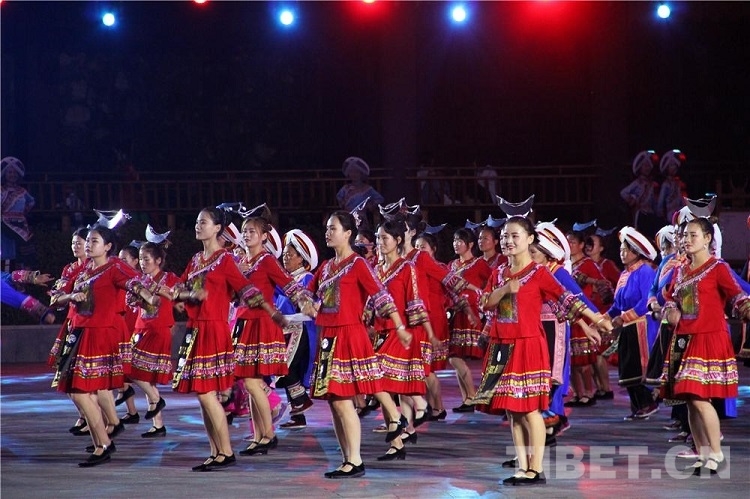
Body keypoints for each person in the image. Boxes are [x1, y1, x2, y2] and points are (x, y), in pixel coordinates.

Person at [477, 216, 612, 486]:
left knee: (529, 409)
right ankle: (522, 465)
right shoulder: (499, 273)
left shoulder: (539, 273)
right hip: (502, 346)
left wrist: (596, 319)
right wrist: (505, 289)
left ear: (529, 239)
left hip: (528, 345)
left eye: (514, 236)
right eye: (504, 236)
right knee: (511, 409)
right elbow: (485, 304)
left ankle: (535, 469)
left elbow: (568, 299)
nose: (508, 241)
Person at [303, 211, 411, 479]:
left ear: (348, 233)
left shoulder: (358, 264)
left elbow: (381, 296)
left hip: (349, 336)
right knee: (333, 402)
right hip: (327, 337)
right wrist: (307, 303)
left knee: (343, 400)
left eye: (334, 228)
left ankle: (355, 460)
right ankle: (346, 459)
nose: (328, 233)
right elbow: (308, 293)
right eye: (327, 228)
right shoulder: (326, 266)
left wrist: (400, 327)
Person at [170, 207, 277, 472]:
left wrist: (272, 310)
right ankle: (215, 451)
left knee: (208, 394)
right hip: (194, 330)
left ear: (217, 228)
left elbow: (246, 288)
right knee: (201, 395)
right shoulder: (196, 259)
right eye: (197, 222)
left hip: (213, 330)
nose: (198, 226)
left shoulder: (226, 260)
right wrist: (183, 295)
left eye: (203, 222)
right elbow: (179, 287)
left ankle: (226, 451)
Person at [51, 221, 155, 467]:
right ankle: (103, 441)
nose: (88, 245)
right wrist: (70, 295)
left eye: (94, 241)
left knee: (82, 391)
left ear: (108, 246)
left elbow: (135, 283)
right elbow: (57, 298)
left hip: (99, 335)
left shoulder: (114, 267)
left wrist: (149, 296)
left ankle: (104, 442)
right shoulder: (83, 270)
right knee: (76, 392)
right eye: (87, 241)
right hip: (79, 333)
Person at [661, 217, 750, 475]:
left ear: (708, 238)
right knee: (690, 399)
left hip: (708, 337)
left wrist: (746, 309)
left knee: (700, 398)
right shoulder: (681, 270)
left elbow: (738, 297)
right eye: (684, 235)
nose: (687, 240)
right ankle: (702, 454)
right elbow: (671, 298)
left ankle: (717, 453)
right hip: (683, 339)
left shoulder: (718, 268)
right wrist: (670, 310)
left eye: (693, 235)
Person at [234, 212, 312, 457]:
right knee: (250, 382)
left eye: (252, 231)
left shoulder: (266, 260)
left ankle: (268, 435)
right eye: (244, 231)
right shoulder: (240, 261)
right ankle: (259, 436)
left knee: (252, 382)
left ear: (264, 237)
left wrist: (305, 301)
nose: (247, 235)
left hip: (262, 324)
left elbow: (288, 284)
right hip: (244, 323)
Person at [371, 219, 437, 461]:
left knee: (378, 379)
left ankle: (419, 407)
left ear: (398, 240)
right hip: (380, 332)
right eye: (378, 238)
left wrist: (428, 333)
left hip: (401, 332)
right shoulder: (376, 269)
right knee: (388, 387)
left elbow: (415, 302)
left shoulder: (407, 268)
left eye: (384, 238)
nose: (379, 243)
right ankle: (397, 443)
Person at [604, 227, 660, 420]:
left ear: (636, 252)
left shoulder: (645, 271)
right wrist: (603, 318)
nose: (622, 253)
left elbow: (646, 300)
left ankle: (647, 403)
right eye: (621, 249)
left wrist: (623, 318)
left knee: (639, 365)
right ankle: (637, 406)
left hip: (641, 325)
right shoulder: (625, 274)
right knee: (627, 366)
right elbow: (617, 304)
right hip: (628, 327)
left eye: (626, 250)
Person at [127, 235, 179, 438]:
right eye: (140, 259)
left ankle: (156, 400)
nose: (142, 263)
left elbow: (178, 294)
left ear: (158, 260)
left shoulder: (170, 278)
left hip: (158, 330)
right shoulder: (140, 280)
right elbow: (129, 299)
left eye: (146, 259)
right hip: (141, 329)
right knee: (144, 375)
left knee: (132, 369)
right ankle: (158, 424)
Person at [276, 229, 320, 430]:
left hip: (301, 330)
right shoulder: (283, 280)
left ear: (301, 258)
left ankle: (302, 399)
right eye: (284, 254)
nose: (286, 258)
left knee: (285, 368)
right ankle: (298, 416)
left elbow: (310, 304)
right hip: (285, 330)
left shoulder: (306, 278)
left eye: (290, 255)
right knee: (286, 369)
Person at [448, 228, 491, 412]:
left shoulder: (480, 264)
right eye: (454, 240)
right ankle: (467, 398)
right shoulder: (451, 265)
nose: (456, 244)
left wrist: (482, 301)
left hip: (471, 314)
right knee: (454, 357)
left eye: (460, 241)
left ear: (470, 244)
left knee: (456, 357)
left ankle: (472, 397)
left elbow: (491, 283)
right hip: (455, 313)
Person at [1, 156, 36, 268]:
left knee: (23, 251)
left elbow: (31, 202)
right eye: (10, 172)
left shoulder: (22, 191)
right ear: (5, 174)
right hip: (4, 225)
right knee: (7, 252)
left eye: (14, 172)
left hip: (20, 224)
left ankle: (23, 276)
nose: (12, 175)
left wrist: (21, 215)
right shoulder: (1, 190)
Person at [620, 151, 660, 238]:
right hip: (640, 213)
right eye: (645, 166)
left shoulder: (652, 184)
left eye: (649, 166)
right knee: (640, 234)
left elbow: (654, 201)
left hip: (651, 213)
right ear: (640, 167)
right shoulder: (637, 182)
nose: (647, 168)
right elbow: (623, 192)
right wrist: (633, 200)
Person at [656, 150, 687, 225]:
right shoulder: (666, 184)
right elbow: (661, 200)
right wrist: (660, 213)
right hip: (671, 213)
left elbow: (682, 198)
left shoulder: (679, 183)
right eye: (671, 165)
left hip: (681, 211)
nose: (674, 168)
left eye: (675, 165)